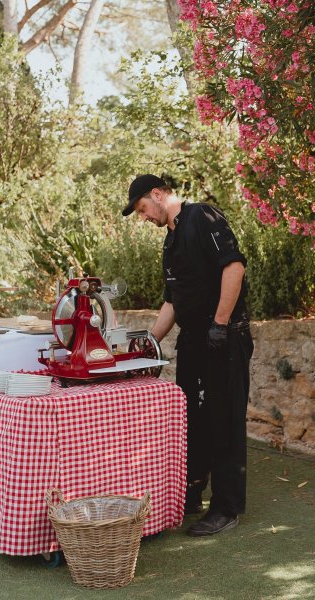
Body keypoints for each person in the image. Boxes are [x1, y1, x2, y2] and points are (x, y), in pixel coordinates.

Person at [122, 174, 254, 536]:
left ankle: (227, 507)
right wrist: (148, 343)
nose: (144, 217)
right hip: (194, 342)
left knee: (225, 421)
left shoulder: (203, 217)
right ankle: (192, 493)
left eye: (143, 209)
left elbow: (234, 266)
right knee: (193, 421)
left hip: (224, 338)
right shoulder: (171, 240)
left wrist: (220, 323)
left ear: (158, 194)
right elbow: (172, 301)